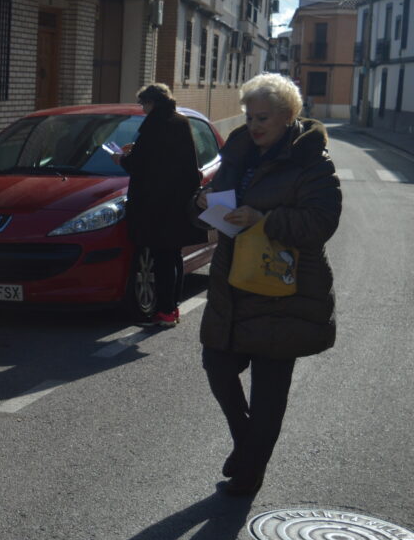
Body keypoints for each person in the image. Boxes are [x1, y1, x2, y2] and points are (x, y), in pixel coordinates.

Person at [191, 73, 342, 496]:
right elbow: (214, 201)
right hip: (232, 283)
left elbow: (321, 221)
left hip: (284, 289)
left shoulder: (311, 159)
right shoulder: (238, 150)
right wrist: (201, 204)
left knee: (269, 390)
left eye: (264, 118)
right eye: (250, 116)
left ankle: (250, 472)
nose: (254, 125)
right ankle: (247, 446)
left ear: (288, 116)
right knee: (217, 365)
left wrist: (264, 220)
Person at [115, 83, 206, 327]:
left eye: (143, 103)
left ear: (152, 102)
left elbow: (142, 166)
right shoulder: (180, 121)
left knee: (162, 259)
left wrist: (122, 158)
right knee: (173, 257)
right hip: (177, 203)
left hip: (156, 206)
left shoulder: (156, 125)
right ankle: (171, 310)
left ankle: (164, 311)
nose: (143, 108)